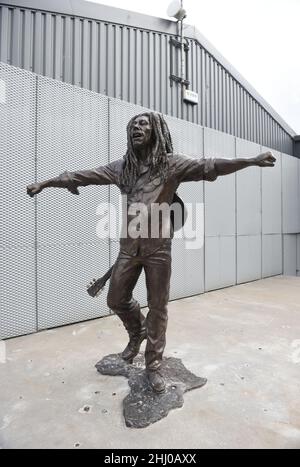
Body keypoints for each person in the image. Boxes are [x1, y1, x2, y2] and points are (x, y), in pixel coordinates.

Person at [27, 111, 276, 393]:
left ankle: (153, 366)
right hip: (129, 248)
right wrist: (46, 183)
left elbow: (211, 166)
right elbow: (85, 175)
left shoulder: (172, 165)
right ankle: (138, 333)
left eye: (143, 124)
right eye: (133, 125)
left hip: (159, 250)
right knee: (116, 298)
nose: (136, 128)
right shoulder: (123, 168)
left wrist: (251, 160)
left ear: (156, 130)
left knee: (158, 307)